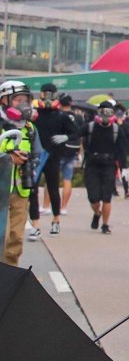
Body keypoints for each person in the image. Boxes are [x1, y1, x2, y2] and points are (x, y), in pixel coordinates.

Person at [1, 80, 40, 266]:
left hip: (20, 189)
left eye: (26, 99)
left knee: (15, 238)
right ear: (4, 101)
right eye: (17, 99)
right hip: (1, 188)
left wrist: (29, 161)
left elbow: (38, 153)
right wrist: (8, 158)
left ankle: (8, 276)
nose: (22, 104)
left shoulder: (30, 128)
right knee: (2, 235)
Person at [31, 83, 77, 237]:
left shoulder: (62, 116)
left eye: (51, 94)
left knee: (53, 188)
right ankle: (35, 224)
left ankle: (56, 220)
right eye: (46, 93)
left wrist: (66, 137)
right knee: (32, 190)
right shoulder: (34, 114)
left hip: (54, 156)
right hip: (36, 157)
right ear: (41, 95)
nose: (48, 97)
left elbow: (75, 133)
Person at [82, 101, 128, 234]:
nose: (105, 116)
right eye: (102, 112)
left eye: (108, 113)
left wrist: (123, 168)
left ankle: (105, 225)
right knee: (93, 198)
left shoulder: (117, 130)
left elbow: (122, 150)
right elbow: (76, 134)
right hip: (92, 165)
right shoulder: (90, 127)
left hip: (109, 166)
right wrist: (66, 138)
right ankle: (97, 213)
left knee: (107, 198)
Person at [55, 94, 83, 214]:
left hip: (60, 149)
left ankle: (46, 206)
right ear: (71, 103)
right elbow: (80, 134)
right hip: (74, 149)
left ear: (59, 103)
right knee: (68, 179)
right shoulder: (78, 117)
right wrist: (80, 150)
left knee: (53, 179)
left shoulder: (58, 116)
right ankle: (64, 207)